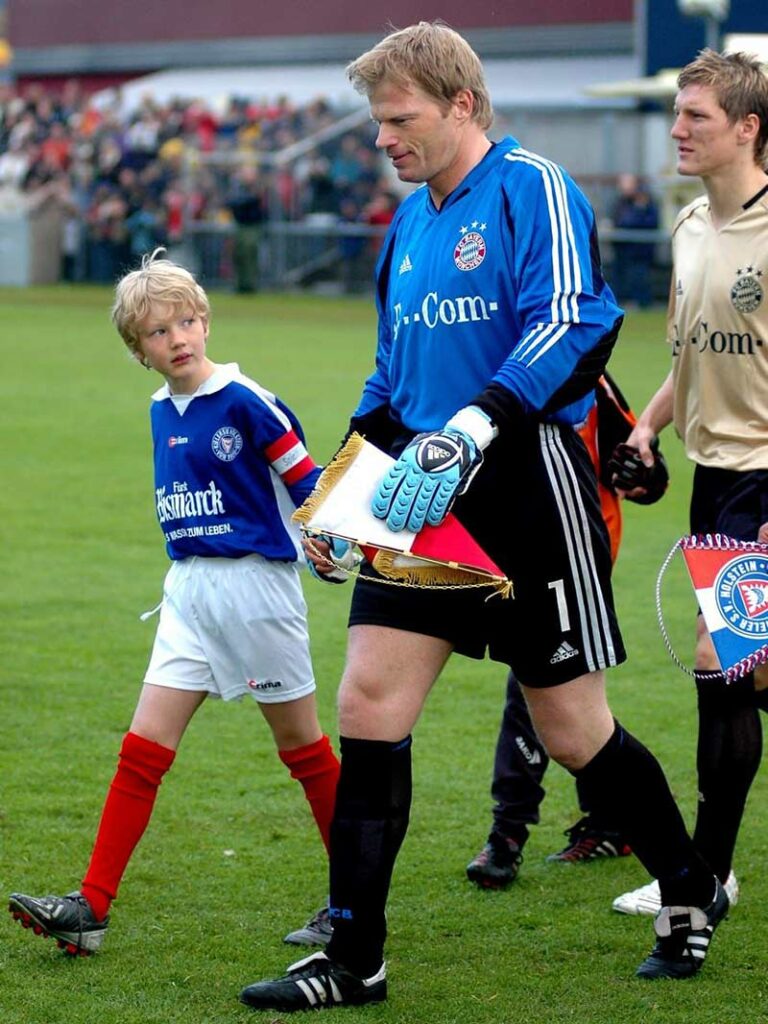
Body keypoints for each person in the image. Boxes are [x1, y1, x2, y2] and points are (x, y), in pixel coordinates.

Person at [239, 23, 725, 1010]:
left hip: (526, 492)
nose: (384, 139)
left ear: (461, 102)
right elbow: (389, 379)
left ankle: (687, 895)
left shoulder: (530, 185)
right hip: (419, 498)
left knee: (577, 728)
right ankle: (356, 956)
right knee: (368, 704)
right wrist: (338, 494)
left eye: (398, 117)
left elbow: (572, 322)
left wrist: (470, 429)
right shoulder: (408, 225)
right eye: (378, 121)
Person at [8, 250, 340, 956]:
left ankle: (353, 901)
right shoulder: (161, 409)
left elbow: (310, 482)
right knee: (142, 749)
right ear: (139, 350)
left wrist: (328, 539)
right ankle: (89, 908)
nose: (179, 338)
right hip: (188, 593)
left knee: (303, 751)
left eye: (187, 321)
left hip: (256, 592)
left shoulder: (248, 401)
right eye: (160, 332)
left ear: (206, 320)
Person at [611, 48, 768, 919]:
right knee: (746, 673)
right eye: (678, 113)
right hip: (715, 484)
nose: (677, 129)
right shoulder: (688, 227)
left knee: (722, 665)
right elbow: (692, 354)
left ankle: (707, 876)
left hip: (766, 483)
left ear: (747, 128)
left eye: (697, 117)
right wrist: (647, 423)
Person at [466, 373, 669, 888]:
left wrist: (640, 474)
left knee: (536, 691)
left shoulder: (582, 373)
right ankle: (606, 821)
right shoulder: (472, 357)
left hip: (571, 557)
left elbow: (643, 470)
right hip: (493, 551)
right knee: (569, 702)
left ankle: (507, 835)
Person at [610, 173, 660, 309]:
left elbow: (643, 223)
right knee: (619, 276)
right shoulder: (621, 202)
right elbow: (618, 221)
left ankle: (642, 303)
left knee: (639, 278)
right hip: (623, 250)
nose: (624, 188)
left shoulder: (646, 202)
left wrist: (639, 208)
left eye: (627, 184)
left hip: (640, 252)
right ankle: (622, 301)